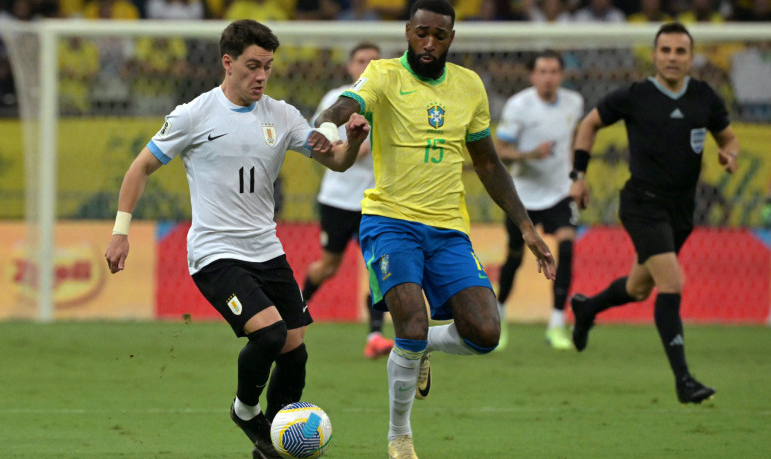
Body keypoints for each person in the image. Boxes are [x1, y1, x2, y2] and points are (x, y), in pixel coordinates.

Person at [104, 20, 369, 459]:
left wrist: (353, 142)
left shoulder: (283, 115)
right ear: (227, 63)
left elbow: (337, 162)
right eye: (252, 66)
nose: (261, 76)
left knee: (295, 352)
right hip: (215, 254)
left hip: (267, 250)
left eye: (268, 66)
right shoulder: (194, 114)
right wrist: (120, 232)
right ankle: (245, 411)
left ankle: (277, 444)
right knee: (270, 334)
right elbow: (139, 169)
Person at [312, 1, 556, 457]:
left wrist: (525, 226)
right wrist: (328, 125)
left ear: (451, 38)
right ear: (408, 31)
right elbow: (345, 103)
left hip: (447, 228)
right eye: (421, 33)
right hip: (390, 221)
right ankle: (399, 436)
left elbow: (487, 163)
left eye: (439, 36)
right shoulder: (383, 74)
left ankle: (424, 347)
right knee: (410, 321)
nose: (428, 43)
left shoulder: (469, 85)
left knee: (485, 334)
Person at [568, 22, 739, 405]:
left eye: (680, 51)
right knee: (672, 282)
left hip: (682, 211)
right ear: (655, 55)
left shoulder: (704, 97)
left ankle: (587, 308)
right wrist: (578, 177)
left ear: (691, 58)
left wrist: (730, 155)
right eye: (665, 50)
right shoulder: (636, 95)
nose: (672, 58)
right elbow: (589, 124)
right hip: (642, 206)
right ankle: (684, 381)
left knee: (638, 288)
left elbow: (728, 137)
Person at [301, 42, 396, 360]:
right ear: (350, 66)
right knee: (328, 266)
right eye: (361, 60)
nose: (367, 65)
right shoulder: (336, 99)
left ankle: (374, 336)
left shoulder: (390, 99)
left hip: (377, 200)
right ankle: (295, 312)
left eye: (374, 60)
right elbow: (320, 140)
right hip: (339, 199)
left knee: (378, 266)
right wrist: (351, 147)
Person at [494, 50, 584, 350]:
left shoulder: (574, 102)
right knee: (515, 257)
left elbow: (573, 141)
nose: (548, 77)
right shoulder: (519, 106)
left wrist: (577, 177)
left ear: (562, 75)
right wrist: (530, 154)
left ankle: (557, 324)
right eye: (542, 71)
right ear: (532, 75)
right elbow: (500, 151)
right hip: (523, 197)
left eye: (554, 71)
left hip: (559, 192)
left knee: (567, 248)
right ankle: (499, 315)